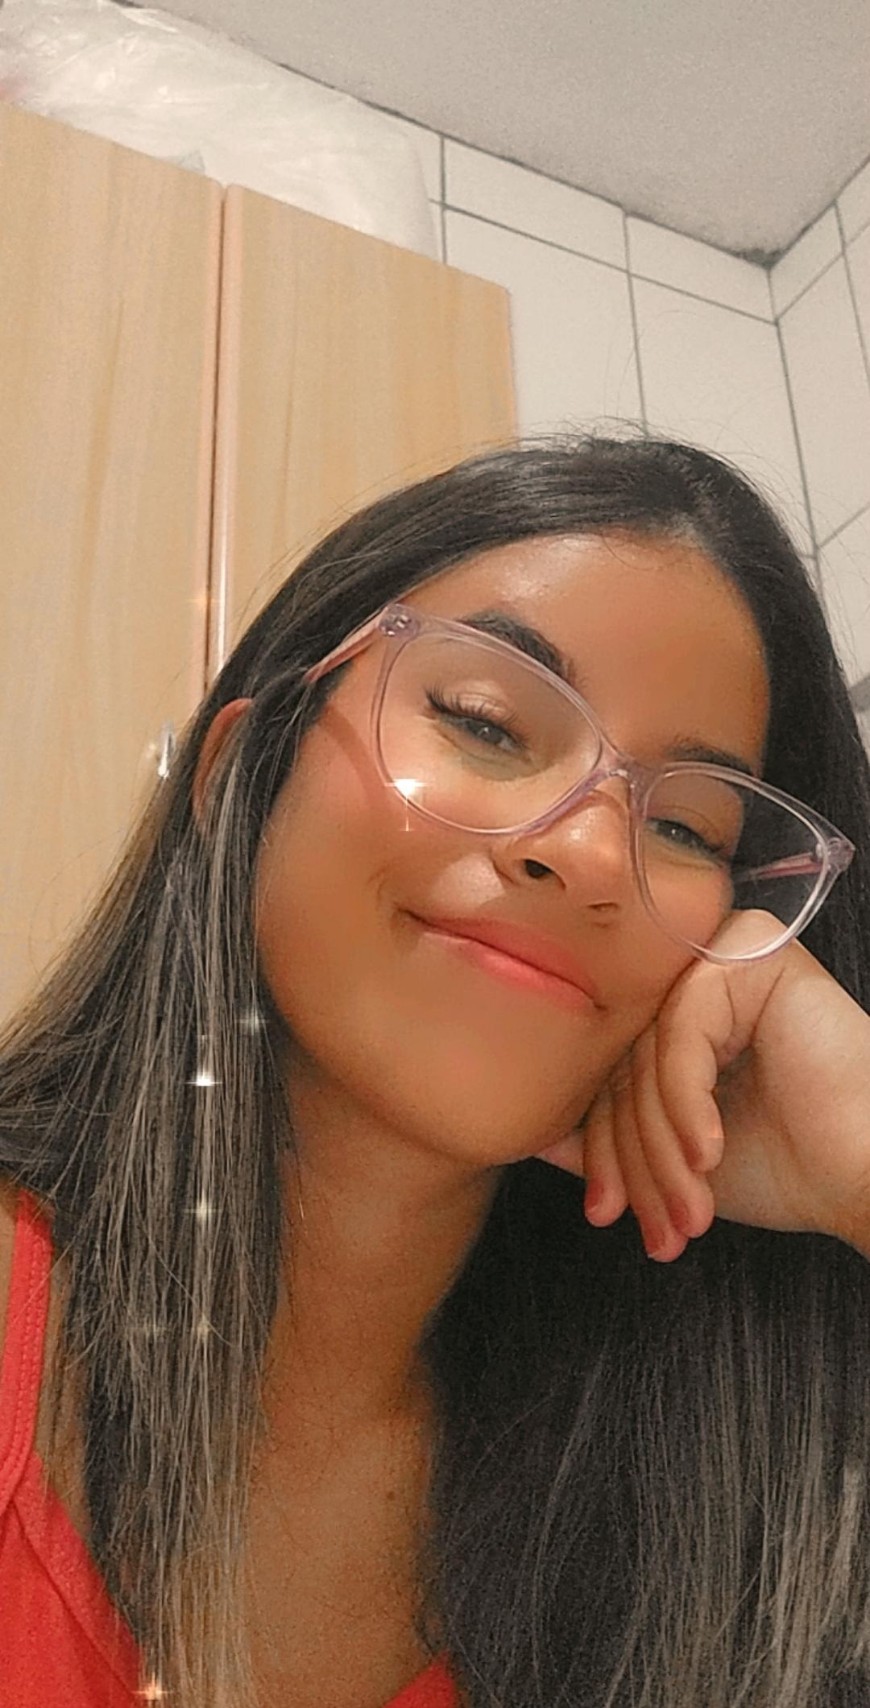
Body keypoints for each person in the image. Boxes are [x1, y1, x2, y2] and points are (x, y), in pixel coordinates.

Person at [2, 433, 870, 1708]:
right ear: (240, 775)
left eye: (687, 827)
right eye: (485, 720)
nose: (591, 851)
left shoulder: (726, 1554)